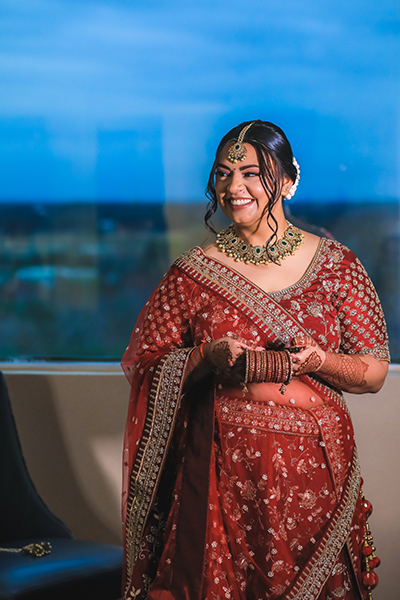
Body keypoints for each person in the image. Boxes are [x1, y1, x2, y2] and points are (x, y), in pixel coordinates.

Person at [121, 120, 390, 600]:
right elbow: (146, 364)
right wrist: (207, 357)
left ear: (289, 181)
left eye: (251, 173)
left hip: (314, 477)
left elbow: (373, 372)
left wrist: (317, 360)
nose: (234, 187)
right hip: (218, 481)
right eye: (224, 174)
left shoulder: (337, 265)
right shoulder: (192, 274)